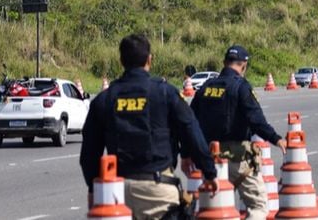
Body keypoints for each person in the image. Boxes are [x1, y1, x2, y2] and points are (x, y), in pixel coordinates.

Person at [80, 34, 218, 219]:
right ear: (149, 60)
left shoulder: (104, 99)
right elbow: (191, 131)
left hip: (117, 193)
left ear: (121, 61)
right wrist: (209, 172)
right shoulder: (165, 92)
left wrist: (94, 188)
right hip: (157, 188)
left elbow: (89, 154)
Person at [184, 45, 286, 220]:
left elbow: (189, 123)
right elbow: (256, 120)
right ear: (244, 66)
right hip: (238, 160)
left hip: (211, 160)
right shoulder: (241, 87)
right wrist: (276, 139)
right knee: (258, 206)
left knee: (214, 210)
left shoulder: (206, 87)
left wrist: (186, 153)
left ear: (224, 63)